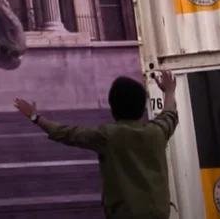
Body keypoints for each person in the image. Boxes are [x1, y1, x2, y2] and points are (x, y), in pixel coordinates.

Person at [14, 70, 178, 219]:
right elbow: (169, 113)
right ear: (142, 108)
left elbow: (67, 133)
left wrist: (35, 117)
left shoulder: (108, 136)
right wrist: (169, 91)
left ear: (113, 107)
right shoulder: (157, 132)